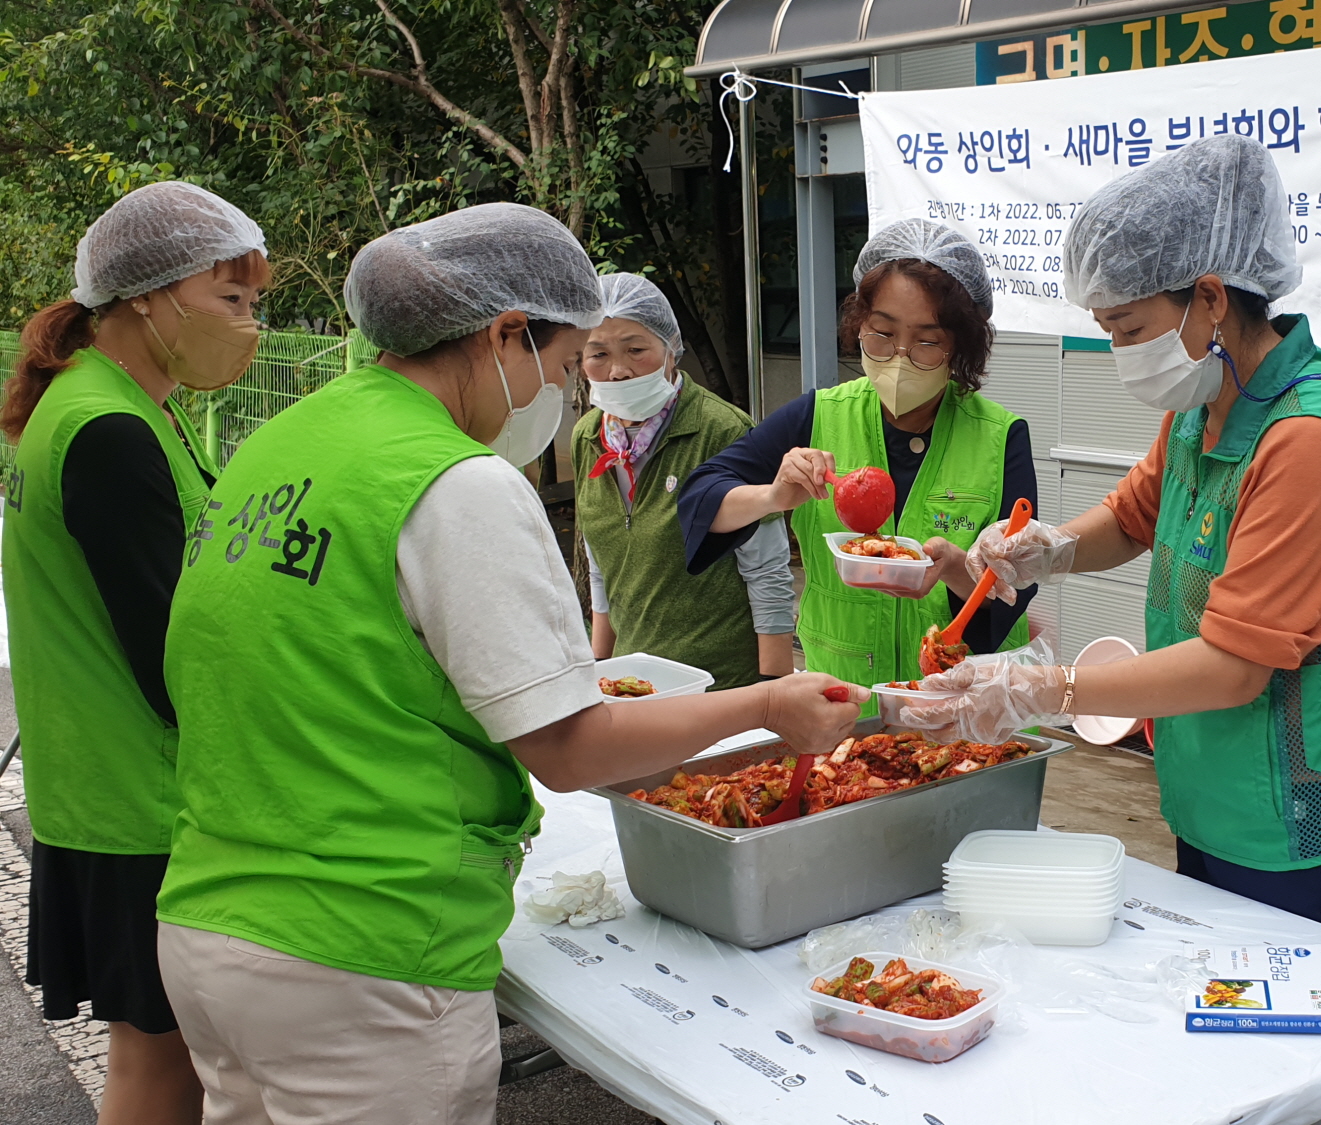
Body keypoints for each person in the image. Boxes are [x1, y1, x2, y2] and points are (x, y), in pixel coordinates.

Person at [152, 203, 861, 1124]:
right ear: (506, 335)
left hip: (210, 920)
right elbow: (569, 748)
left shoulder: (285, 439)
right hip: (366, 949)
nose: (571, 392)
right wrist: (764, 704)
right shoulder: (456, 481)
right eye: (568, 364)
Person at [908, 136, 1321, 946]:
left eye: (1127, 326)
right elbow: (1131, 515)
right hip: (1211, 799)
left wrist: (1046, 691)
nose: (1119, 351)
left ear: (1210, 297)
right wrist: (1051, 548)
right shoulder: (1203, 403)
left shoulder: (1313, 439)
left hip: (1310, 829)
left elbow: (1232, 665)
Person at [1, 180, 268, 1125]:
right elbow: (172, 659)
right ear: (148, 296)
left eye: (256, 304)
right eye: (230, 300)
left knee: (148, 1063)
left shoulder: (92, 404)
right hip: (142, 807)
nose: (250, 326)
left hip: (98, 794)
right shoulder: (108, 430)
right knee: (164, 1072)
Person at [679, 219, 1037, 693]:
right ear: (859, 325)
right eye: (882, 334)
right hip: (843, 706)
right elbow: (701, 498)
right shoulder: (817, 415)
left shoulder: (1000, 436)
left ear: (960, 347)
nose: (900, 356)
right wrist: (772, 496)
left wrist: (954, 568)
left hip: (960, 710)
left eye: (928, 342)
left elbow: (1018, 584)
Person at [576, 273, 795, 688]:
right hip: (634, 684)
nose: (618, 371)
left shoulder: (721, 430)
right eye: (597, 354)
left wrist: (774, 692)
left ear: (670, 350)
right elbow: (600, 565)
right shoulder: (587, 436)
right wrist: (597, 668)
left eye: (636, 349)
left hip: (721, 686)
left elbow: (767, 571)